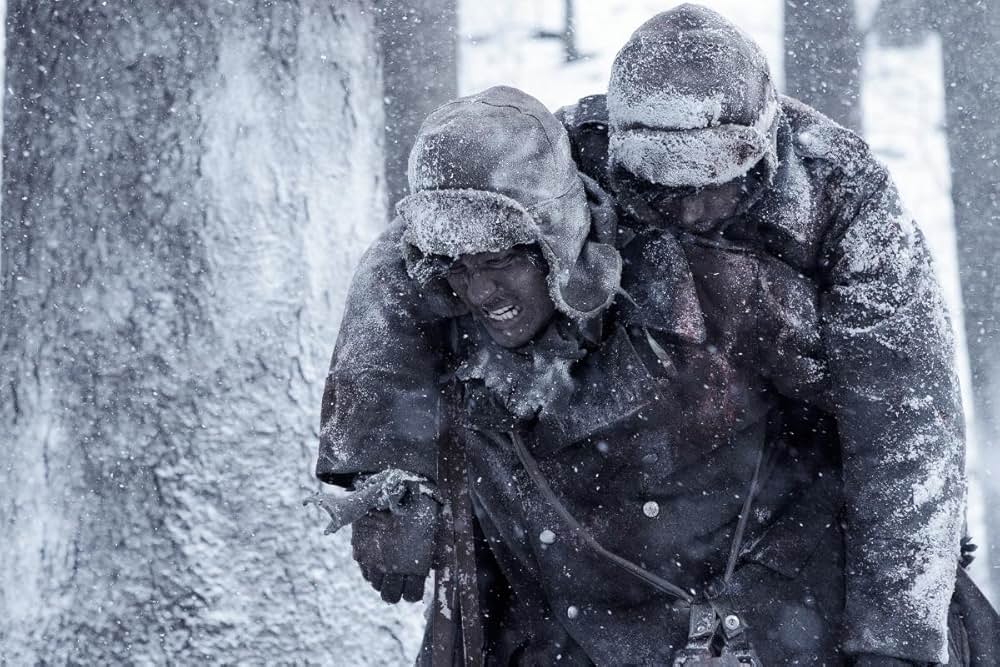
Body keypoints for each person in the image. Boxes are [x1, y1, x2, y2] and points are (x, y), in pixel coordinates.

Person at [312, 83, 990, 664]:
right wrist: (387, 483)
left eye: (500, 261)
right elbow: (397, 267)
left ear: (559, 233)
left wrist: (906, 575)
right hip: (572, 624)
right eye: (460, 268)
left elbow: (896, 417)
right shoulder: (455, 288)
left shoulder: (732, 270)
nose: (481, 290)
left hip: (781, 606)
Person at [552, 4, 998, 665]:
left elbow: (905, 423)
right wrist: (398, 463)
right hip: (624, 501)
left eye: (714, 182)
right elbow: (431, 246)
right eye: (664, 188)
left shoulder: (844, 191)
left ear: (763, 149)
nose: (693, 208)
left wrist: (896, 637)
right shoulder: (565, 152)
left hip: (811, 490)